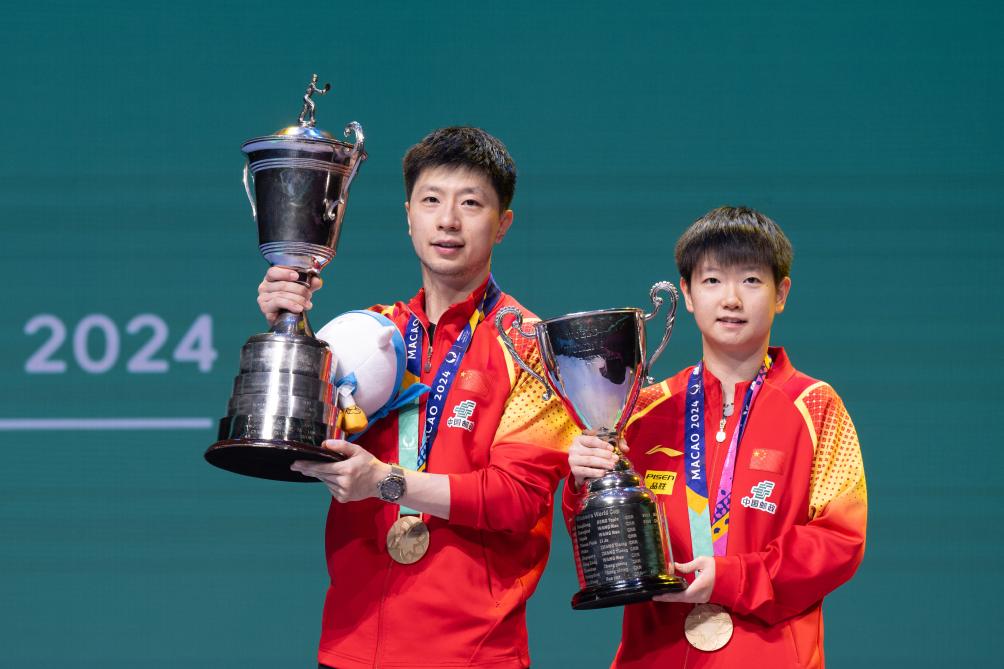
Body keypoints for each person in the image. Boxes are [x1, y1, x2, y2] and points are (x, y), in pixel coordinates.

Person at [258, 127, 578, 669]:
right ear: (409, 216)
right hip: (352, 644)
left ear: (502, 224)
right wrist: (289, 330)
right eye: (431, 200)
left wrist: (386, 481)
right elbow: (302, 436)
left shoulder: (532, 347)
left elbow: (517, 498)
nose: (448, 220)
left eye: (470, 203)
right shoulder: (368, 334)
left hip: (472, 652)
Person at [564, 206, 867, 668]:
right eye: (711, 280)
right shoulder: (641, 409)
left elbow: (839, 540)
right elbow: (609, 544)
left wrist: (733, 577)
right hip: (655, 655)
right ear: (686, 293)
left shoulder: (816, 406)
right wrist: (583, 484)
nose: (731, 299)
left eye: (751, 280)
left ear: (782, 293)